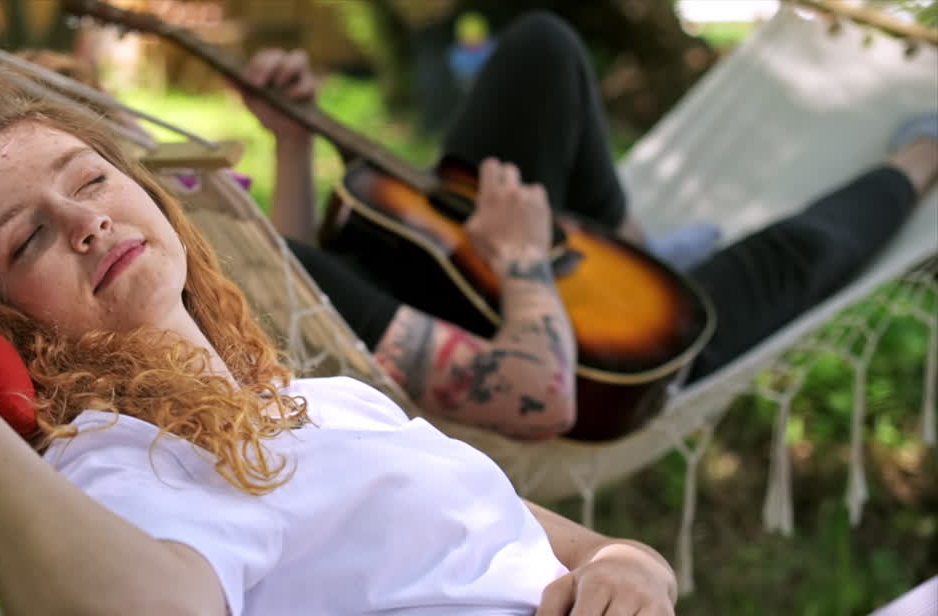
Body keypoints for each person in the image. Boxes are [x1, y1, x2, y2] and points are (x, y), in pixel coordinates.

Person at [0, 56, 937, 616]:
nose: (86, 219)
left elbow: (577, 542)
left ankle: (634, 241)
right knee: (770, 272)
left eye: (92, 179)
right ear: (3, 314)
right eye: (28, 238)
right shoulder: (130, 460)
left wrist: (636, 572)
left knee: (541, 50)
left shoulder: (322, 395)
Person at [236, 11, 938, 443]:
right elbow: (537, 400)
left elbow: (294, 285)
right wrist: (523, 261)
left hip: (443, 257)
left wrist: (291, 143)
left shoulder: (198, 221)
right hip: (576, 352)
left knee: (542, 47)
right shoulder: (173, 241)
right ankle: (924, 156)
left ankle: (631, 248)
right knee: (786, 258)